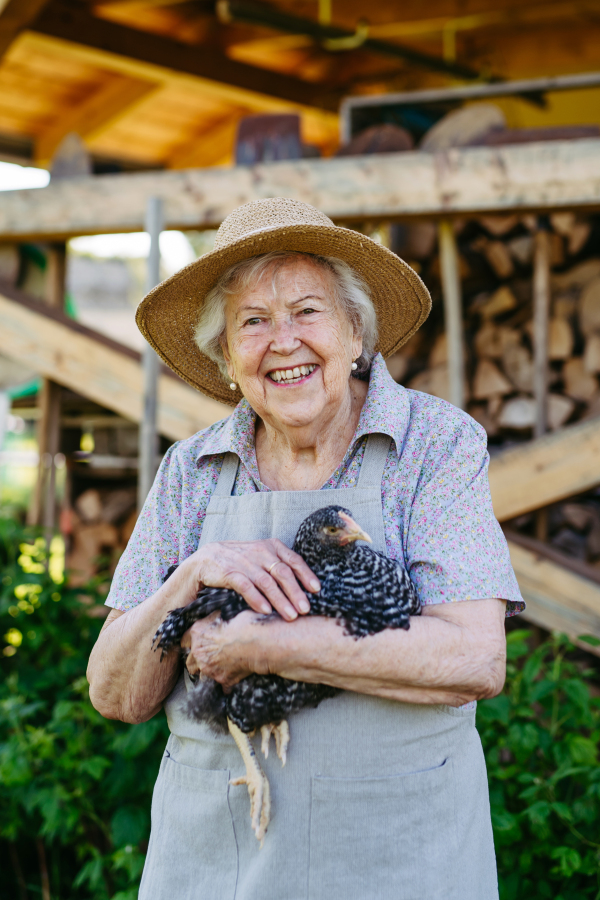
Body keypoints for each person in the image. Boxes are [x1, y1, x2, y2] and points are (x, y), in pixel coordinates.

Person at [87, 198, 524, 900]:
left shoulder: (436, 445)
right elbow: (114, 691)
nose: (282, 341)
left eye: (307, 312)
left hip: (397, 860)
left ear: (356, 333)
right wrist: (189, 579)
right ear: (227, 356)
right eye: (252, 322)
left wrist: (263, 645)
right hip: (213, 862)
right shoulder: (190, 470)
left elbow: (474, 659)